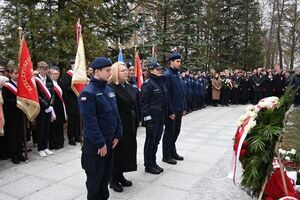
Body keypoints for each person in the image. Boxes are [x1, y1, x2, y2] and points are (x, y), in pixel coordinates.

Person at [79, 57, 122, 200]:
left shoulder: (108, 89)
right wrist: (100, 142)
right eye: (107, 70)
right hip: (96, 147)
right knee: (95, 181)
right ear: (97, 71)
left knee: (105, 178)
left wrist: (117, 134)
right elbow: (90, 122)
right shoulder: (88, 92)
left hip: (110, 142)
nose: (110, 73)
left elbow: (115, 114)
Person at [108, 62, 138, 192]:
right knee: (117, 153)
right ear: (115, 72)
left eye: (126, 70)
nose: (126, 72)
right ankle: (113, 179)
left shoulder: (128, 86)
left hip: (130, 124)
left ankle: (121, 175)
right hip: (118, 125)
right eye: (122, 71)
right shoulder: (111, 88)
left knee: (126, 152)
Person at [141, 62, 168, 174]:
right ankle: (148, 164)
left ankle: (153, 161)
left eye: (160, 69)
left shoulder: (160, 82)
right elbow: (144, 103)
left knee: (156, 141)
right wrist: (148, 119)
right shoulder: (148, 84)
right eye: (157, 69)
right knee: (150, 142)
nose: (160, 71)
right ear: (151, 70)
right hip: (152, 118)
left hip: (160, 117)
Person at [162, 53, 186, 165]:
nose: (179, 63)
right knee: (169, 133)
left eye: (180, 61)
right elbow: (167, 95)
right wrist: (170, 111)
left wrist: (183, 106)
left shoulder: (177, 74)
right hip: (172, 110)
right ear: (171, 62)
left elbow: (181, 92)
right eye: (177, 61)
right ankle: (166, 155)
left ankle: (172, 151)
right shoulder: (167, 75)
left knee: (176, 131)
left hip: (179, 108)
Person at [2, 68, 26, 164]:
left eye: (19, 73)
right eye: (15, 73)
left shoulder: (21, 85)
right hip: (11, 115)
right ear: (11, 74)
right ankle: (14, 155)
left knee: (20, 135)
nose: (18, 75)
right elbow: (6, 101)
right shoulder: (6, 86)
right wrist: (18, 99)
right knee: (13, 136)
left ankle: (20, 153)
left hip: (20, 113)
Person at [35, 61, 55, 157]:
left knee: (47, 128)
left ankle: (45, 147)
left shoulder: (49, 80)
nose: (44, 70)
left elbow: (53, 94)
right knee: (41, 128)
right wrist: (46, 105)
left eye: (46, 68)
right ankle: (40, 148)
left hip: (49, 108)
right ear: (38, 69)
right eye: (42, 68)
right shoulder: (35, 80)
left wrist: (51, 105)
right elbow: (37, 95)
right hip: (41, 108)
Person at [62, 60, 81, 146]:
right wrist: (75, 87)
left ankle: (77, 136)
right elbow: (66, 88)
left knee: (78, 119)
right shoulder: (67, 75)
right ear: (71, 65)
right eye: (74, 64)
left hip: (78, 100)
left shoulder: (79, 75)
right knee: (72, 121)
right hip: (71, 100)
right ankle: (71, 138)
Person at [49, 67, 66, 149]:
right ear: (50, 75)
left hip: (60, 106)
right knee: (54, 126)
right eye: (54, 74)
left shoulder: (59, 83)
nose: (56, 75)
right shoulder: (49, 83)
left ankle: (60, 142)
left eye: (57, 74)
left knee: (60, 125)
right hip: (53, 107)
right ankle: (54, 144)